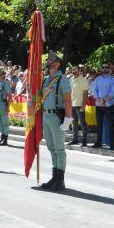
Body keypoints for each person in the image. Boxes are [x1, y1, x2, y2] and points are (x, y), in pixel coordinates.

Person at [38, 52, 73, 191]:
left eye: (52, 61)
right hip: (46, 116)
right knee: (51, 148)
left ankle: (60, 179)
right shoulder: (46, 79)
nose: (49, 63)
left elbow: (68, 100)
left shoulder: (62, 79)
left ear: (58, 64)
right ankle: (54, 177)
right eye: (49, 61)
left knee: (59, 149)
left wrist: (68, 119)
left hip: (56, 116)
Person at [90, 62, 114, 149]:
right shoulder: (97, 79)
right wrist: (98, 99)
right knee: (99, 124)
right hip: (99, 105)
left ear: (109, 69)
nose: (105, 69)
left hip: (108, 105)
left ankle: (112, 144)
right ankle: (99, 142)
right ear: (102, 69)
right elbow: (93, 90)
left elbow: (113, 92)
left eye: (106, 67)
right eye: (103, 67)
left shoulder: (113, 80)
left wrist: (103, 100)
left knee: (111, 125)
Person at [69, 65, 89, 146]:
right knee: (74, 123)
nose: (74, 71)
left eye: (75, 69)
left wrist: (83, 105)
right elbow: (70, 93)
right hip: (72, 104)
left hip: (80, 104)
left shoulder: (83, 80)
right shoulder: (70, 79)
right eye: (73, 69)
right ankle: (75, 139)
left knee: (83, 123)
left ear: (79, 70)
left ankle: (84, 140)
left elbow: (85, 93)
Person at [0, 67, 12, 146]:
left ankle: (5, 139)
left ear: (3, 75)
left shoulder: (5, 83)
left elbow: (9, 96)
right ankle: (2, 138)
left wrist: (8, 107)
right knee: (0, 122)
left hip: (3, 104)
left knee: (5, 123)